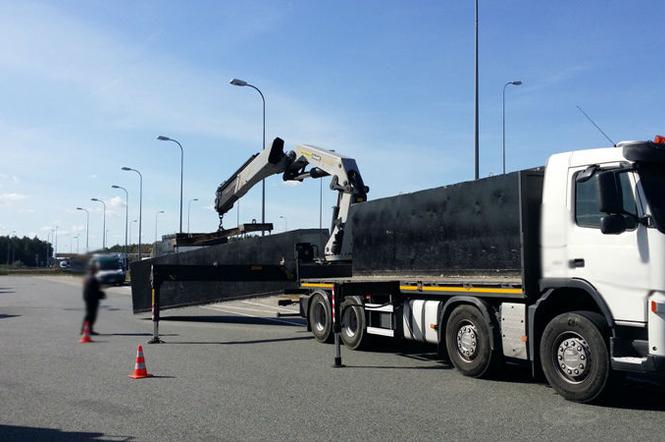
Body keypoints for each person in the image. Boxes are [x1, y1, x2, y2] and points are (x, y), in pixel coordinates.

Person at [82, 263, 105, 335]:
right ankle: (87, 329)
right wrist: (100, 294)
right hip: (91, 300)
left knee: (90, 315)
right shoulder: (91, 278)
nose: (97, 270)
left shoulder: (89, 277)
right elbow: (93, 290)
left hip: (90, 299)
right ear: (93, 269)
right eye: (96, 269)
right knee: (91, 315)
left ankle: (86, 329)